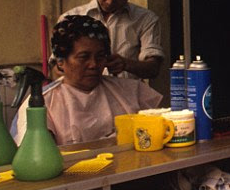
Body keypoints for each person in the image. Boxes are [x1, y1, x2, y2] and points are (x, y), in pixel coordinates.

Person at [11, 16, 162, 146]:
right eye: (84, 57)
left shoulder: (132, 91)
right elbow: (39, 155)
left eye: (100, 56)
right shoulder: (41, 104)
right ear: (60, 61)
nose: (94, 65)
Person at [57, 0, 164, 80]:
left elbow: (153, 68)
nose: (110, 1)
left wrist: (126, 64)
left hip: (125, 98)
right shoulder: (69, 19)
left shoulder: (145, 20)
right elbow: (55, 70)